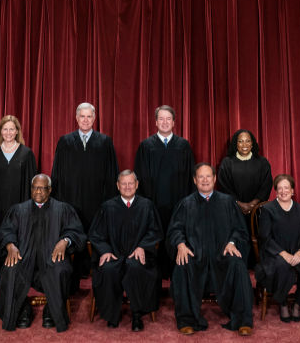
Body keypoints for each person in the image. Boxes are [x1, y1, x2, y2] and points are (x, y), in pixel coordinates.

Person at [168, 163, 254, 337]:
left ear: (215, 179)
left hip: (222, 254)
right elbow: (175, 229)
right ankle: (187, 319)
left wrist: (232, 242)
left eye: (208, 176)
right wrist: (181, 245)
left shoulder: (227, 202)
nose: (205, 180)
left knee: (237, 265)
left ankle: (242, 320)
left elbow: (240, 230)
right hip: (195, 255)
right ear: (194, 180)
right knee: (182, 265)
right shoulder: (186, 204)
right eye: (201, 177)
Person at [0, 174, 86, 333]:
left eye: (42, 188)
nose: (38, 191)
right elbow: (6, 231)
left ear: (49, 190)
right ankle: (21, 308)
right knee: (10, 269)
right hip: (24, 257)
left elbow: (76, 231)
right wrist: (10, 245)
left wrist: (65, 241)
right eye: (34, 187)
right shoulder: (18, 210)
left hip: (51, 256)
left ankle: (52, 309)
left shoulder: (63, 209)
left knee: (61, 269)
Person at [51, 102, 118, 288]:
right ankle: (74, 273)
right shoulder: (65, 142)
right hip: (71, 199)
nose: (86, 120)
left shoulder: (105, 142)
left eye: (89, 116)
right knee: (73, 232)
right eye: (82, 116)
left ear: (94, 118)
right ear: (76, 118)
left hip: (97, 200)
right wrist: (58, 201)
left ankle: (95, 268)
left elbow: (112, 174)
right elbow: (57, 173)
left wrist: (110, 202)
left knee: (96, 233)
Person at [88, 169, 163, 331]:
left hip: (138, 255)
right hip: (114, 254)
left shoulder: (146, 206)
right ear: (117, 185)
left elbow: (155, 232)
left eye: (131, 183)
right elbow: (96, 234)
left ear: (137, 185)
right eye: (124, 184)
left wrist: (143, 246)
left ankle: (137, 314)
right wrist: (105, 250)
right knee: (108, 270)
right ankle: (111, 315)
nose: (127, 187)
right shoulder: (107, 207)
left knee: (135, 267)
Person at [255, 174, 300, 323]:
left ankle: (297, 303)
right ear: (275, 191)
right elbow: (265, 238)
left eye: (286, 187)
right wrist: (283, 254)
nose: (283, 191)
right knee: (281, 266)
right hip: (275, 253)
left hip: (298, 251)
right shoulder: (268, 209)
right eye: (279, 188)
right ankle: (282, 303)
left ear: (292, 190)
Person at [133, 105, 195, 276]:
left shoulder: (183, 146)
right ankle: (155, 276)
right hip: (153, 204)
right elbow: (139, 178)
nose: (165, 122)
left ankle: (177, 273)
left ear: (174, 122)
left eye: (168, 119)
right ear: (155, 122)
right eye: (161, 119)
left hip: (178, 203)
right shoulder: (146, 146)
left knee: (177, 235)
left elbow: (191, 177)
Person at [217, 129, 272, 265]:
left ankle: (257, 262)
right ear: (236, 144)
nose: (244, 144)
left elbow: (266, 184)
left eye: (248, 141)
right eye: (240, 141)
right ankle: (238, 262)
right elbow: (224, 186)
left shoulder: (262, 162)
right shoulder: (227, 163)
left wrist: (253, 203)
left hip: (257, 210)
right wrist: (238, 203)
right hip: (233, 209)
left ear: (252, 144)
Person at [0, 115, 38, 231]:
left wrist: (29, 208)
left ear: (17, 131)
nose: (8, 133)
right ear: (0, 131)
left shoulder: (26, 154)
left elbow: (32, 185)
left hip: (20, 207)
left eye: (12, 129)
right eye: (5, 129)